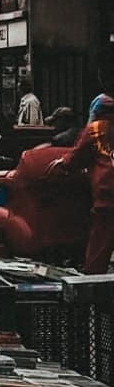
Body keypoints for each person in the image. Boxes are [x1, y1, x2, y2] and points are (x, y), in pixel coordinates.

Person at [50, 96, 114, 273]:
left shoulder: (95, 129)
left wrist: (62, 163)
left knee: (100, 244)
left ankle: (93, 286)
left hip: (107, 193)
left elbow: (76, 158)